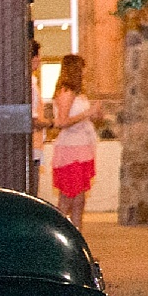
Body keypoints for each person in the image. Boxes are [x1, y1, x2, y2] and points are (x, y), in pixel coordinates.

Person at [49, 53, 97, 225]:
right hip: (70, 149)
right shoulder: (66, 92)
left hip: (82, 147)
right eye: (82, 69)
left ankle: (77, 236)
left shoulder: (78, 93)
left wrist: (94, 114)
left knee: (79, 199)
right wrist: (87, 113)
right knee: (68, 198)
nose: (85, 73)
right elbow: (61, 122)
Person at [30, 40, 51, 194]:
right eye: (38, 56)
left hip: (35, 143)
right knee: (32, 187)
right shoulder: (30, 85)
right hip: (32, 143)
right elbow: (33, 120)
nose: (40, 60)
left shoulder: (32, 82)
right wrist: (51, 123)